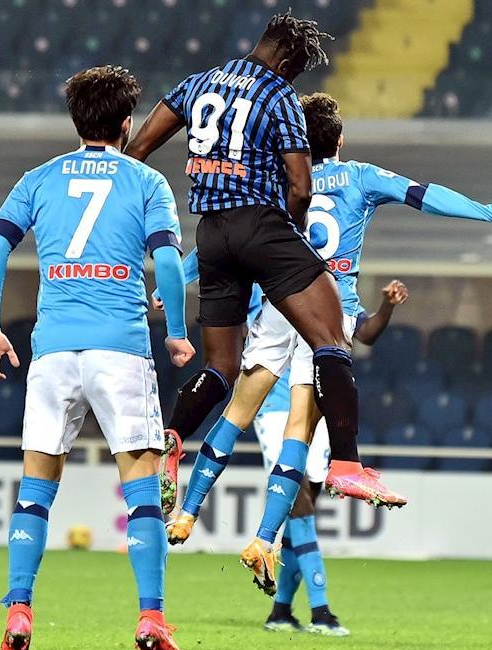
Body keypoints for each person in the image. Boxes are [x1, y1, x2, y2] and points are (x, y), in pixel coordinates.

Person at [161, 90, 492, 593]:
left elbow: (224, 240)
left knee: (237, 411)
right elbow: (424, 194)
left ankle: (187, 511)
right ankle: (263, 540)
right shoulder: (360, 177)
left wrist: (172, 282)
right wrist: (489, 210)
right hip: (328, 311)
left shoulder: (276, 180)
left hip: (278, 304)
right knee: (299, 430)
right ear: (341, 139)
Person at [0, 66, 194, 650]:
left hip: (53, 350)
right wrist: (177, 332)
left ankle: (20, 609)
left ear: (76, 120)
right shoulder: (146, 181)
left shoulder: (39, 178)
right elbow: (168, 263)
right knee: (143, 487)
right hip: (119, 348)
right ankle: (151, 617)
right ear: (127, 123)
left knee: (35, 488)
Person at [124, 13, 375, 540]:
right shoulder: (280, 97)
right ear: (285, 63)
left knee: (221, 365)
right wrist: (290, 246)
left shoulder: (198, 83)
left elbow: (139, 152)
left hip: (212, 235)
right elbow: (300, 188)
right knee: (331, 336)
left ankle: (172, 435)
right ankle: (347, 464)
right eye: (296, 71)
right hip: (262, 225)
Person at [262, 279, 408, 635]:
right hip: (277, 408)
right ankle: (321, 611)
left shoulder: (332, 285)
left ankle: (280, 611)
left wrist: (387, 306)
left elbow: (366, 333)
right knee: (299, 505)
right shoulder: (267, 277)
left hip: (319, 406)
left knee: (304, 508)